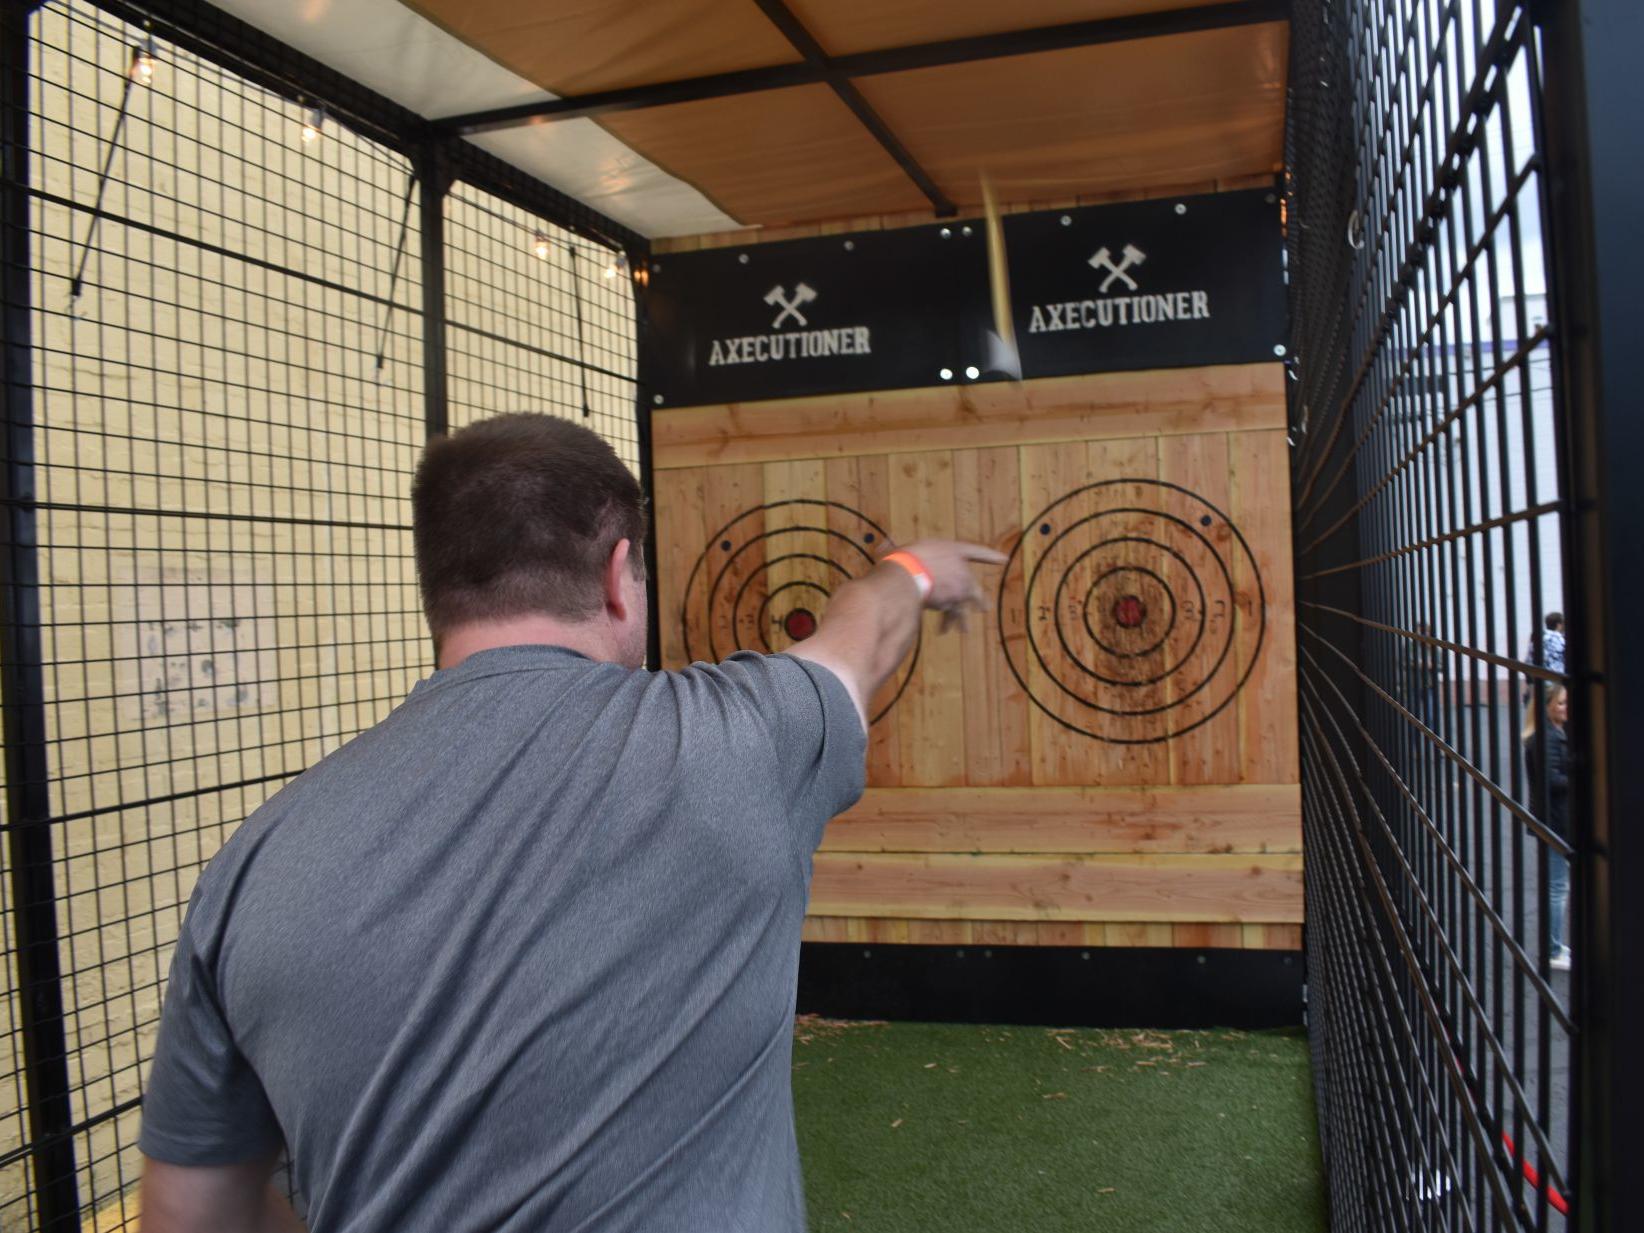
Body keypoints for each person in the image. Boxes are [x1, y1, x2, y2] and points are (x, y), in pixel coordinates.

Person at [136, 413, 1005, 1233]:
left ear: (438, 592)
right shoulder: (741, 738)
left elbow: (191, 1211)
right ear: (617, 575)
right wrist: (913, 569)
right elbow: (863, 632)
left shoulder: (253, 862)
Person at [1522, 684, 1572, 971]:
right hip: (1554, 820)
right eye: (1561, 703)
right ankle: (1552, 949)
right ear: (1548, 706)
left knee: (1558, 885)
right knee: (1556, 888)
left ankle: (1555, 945)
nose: (1566, 707)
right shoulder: (1547, 737)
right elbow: (1551, 780)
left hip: (1555, 819)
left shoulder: (1553, 733)